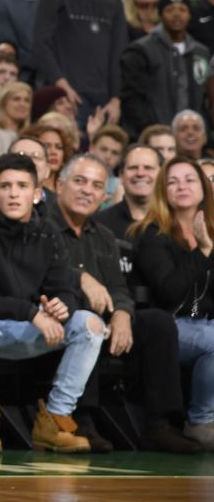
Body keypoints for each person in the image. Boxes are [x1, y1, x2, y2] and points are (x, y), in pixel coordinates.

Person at [0, 153, 102, 454]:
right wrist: (32, 313)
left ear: (37, 194)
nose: (14, 193)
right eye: (6, 186)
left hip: (20, 328)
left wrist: (62, 305)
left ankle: (55, 419)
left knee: (90, 324)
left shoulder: (48, 231)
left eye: (22, 186)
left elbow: (64, 286)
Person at [51, 152, 202, 453]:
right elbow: (38, 274)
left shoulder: (104, 235)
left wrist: (122, 312)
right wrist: (80, 278)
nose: (86, 190)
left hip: (105, 318)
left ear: (104, 195)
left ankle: (159, 424)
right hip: (57, 316)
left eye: (96, 186)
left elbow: (119, 287)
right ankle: (81, 419)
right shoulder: (41, 226)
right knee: (87, 318)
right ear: (59, 185)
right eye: (79, 181)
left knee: (157, 322)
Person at [129, 156, 214, 450]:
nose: (182, 186)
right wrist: (202, 251)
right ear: (163, 190)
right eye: (172, 181)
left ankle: (204, 419)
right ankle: (201, 420)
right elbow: (171, 292)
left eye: (190, 179)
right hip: (166, 328)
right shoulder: (151, 235)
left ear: (204, 187)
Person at [32, 0, 126, 125]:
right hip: (65, 96)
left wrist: (116, 99)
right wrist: (61, 85)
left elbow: (119, 53)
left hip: (103, 99)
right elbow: (40, 43)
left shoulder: (113, 0)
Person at [122, 0, 211, 138]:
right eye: (170, 9)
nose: (177, 14)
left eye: (182, 9)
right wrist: (150, 129)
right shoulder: (142, 49)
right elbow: (132, 97)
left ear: (190, 15)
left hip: (191, 137)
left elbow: (204, 99)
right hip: (154, 135)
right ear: (161, 14)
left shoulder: (201, 52)